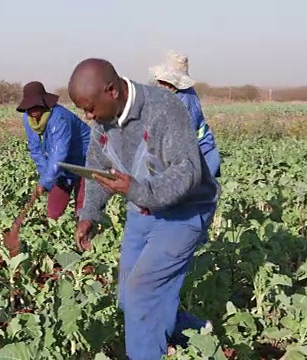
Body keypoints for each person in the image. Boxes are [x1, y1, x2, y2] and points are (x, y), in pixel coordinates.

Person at [68, 58, 221, 359]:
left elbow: (187, 172)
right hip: (142, 213)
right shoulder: (102, 122)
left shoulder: (163, 108)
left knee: (142, 296)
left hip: (184, 212)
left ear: (111, 90)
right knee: (128, 298)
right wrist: (89, 214)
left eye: (90, 107)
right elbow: (98, 170)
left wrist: (136, 190)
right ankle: (195, 332)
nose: (88, 116)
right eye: (83, 109)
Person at [16, 81, 91, 220]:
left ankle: (86, 238)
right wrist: (45, 177)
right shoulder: (29, 119)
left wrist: (46, 181)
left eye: (35, 106)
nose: (32, 111)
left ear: (44, 103)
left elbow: (59, 152)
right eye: (29, 107)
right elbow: (35, 148)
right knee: (53, 213)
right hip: (61, 165)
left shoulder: (59, 117)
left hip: (86, 159)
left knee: (83, 210)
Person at [150, 51, 221, 178]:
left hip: (201, 156)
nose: (162, 85)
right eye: (161, 81)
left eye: (167, 82)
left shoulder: (186, 101)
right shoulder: (165, 94)